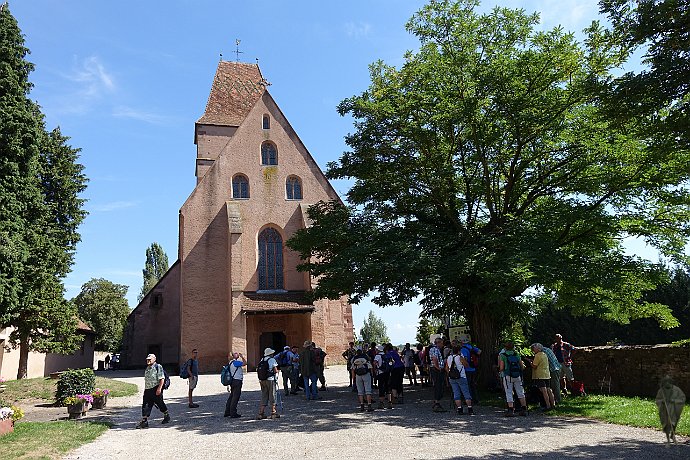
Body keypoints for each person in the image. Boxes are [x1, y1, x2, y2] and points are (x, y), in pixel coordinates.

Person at [136, 354, 170, 428]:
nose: (148, 360)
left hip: (156, 389)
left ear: (154, 359)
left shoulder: (158, 367)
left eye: (150, 359)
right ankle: (144, 421)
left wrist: (159, 389)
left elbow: (162, 379)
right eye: (147, 359)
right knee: (145, 405)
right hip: (148, 390)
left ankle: (166, 415)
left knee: (160, 403)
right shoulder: (147, 368)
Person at [498, 342, 527, 416]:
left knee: (509, 392)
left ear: (505, 347)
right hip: (517, 375)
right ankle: (524, 409)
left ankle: (511, 410)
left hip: (508, 376)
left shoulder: (503, 355)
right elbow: (522, 366)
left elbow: (501, 368)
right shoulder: (516, 354)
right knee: (520, 392)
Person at [655, 376, 685, 444]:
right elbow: (657, 400)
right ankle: (668, 437)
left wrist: (674, 401)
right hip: (665, 409)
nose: (667, 384)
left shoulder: (677, 390)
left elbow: (682, 398)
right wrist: (662, 401)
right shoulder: (661, 391)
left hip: (675, 409)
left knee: (673, 422)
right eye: (665, 382)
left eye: (668, 382)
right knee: (667, 423)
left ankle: (672, 435)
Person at [447, 345, 473, 415]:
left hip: (452, 378)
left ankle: (459, 409)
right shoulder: (460, 357)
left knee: (456, 393)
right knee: (466, 392)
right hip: (461, 376)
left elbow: (446, 368)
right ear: (459, 351)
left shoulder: (449, 357)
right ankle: (470, 408)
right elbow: (466, 365)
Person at [527, 343, 555, 411]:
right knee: (549, 389)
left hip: (540, 375)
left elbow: (534, 366)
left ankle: (547, 406)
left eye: (534, 348)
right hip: (547, 374)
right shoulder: (544, 354)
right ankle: (553, 404)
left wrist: (530, 362)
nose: (533, 349)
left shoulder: (537, 355)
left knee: (543, 390)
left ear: (537, 349)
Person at [257, 347, 280, 419]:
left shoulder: (262, 360)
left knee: (264, 395)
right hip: (270, 379)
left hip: (262, 380)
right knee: (272, 395)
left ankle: (261, 413)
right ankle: (273, 412)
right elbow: (275, 370)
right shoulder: (272, 360)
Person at [350, 347, 374, 412]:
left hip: (358, 375)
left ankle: (362, 406)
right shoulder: (366, 357)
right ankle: (369, 406)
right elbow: (370, 366)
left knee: (360, 391)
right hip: (366, 374)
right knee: (368, 390)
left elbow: (352, 369)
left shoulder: (354, 359)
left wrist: (353, 378)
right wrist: (372, 375)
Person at [224, 351, 246, 418]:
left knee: (231, 396)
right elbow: (245, 363)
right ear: (233, 356)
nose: (237, 354)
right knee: (235, 397)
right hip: (237, 381)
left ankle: (227, 411)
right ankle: (233, 412)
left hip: (233, 380)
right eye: (236, 353)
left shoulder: (230, 363)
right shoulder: (235, 362)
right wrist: (242, 357)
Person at [461, 339, 482, 404]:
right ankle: (476, 399)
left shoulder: (463, 349)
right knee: (473, 384)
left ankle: (469, 399)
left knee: (467, 385)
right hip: (473, 368)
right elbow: (479, 351)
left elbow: (465, 359)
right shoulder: (471, 347)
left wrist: (465, 365)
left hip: (467, 369)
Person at [429, 337, 447, 412]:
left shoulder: (436, 349)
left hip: (436, 368)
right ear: (438, 343)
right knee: (438, 385)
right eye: (442, 343)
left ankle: (436, 401)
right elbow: (435, 359)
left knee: (439, 385)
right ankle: (437, 402)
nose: (443, 345)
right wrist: (438, 368)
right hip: (436, 369)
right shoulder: (434, 349)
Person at [374, 345, 392, 409]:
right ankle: (390, 403)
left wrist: (376, 368)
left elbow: (374, 362)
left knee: (381, 387)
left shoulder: (378, 356)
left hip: (381, 373)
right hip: (387, 373)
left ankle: (381, 403)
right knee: (388, 387)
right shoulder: (387, 355)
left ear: (378, 350)